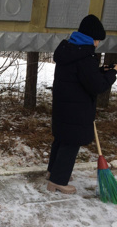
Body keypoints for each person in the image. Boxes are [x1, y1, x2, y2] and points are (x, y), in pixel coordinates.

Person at [46, 14, 117, 194]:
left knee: (61, 139)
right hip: (77, 109)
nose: (98, 44)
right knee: (71, 143)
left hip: (64, 106)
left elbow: (79, 76)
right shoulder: (85, 57)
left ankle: (52, 172)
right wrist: (112, 74)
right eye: (98, 40)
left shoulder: (70, 50)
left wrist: (101, 70)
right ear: (92, 39)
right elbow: (97, 85)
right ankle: (57, 181)